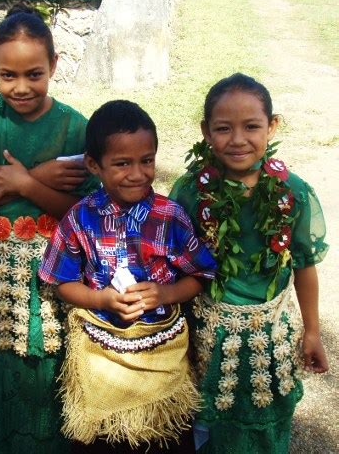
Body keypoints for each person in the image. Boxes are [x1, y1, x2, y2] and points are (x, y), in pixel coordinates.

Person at [0, 2, 98, 453]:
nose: (21, 87)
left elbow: (81, 213)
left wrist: (27, 181)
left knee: (53, 365)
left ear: (53, 65)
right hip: (2, 273)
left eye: (34, 73)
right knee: (4, 366)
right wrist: (30, 181)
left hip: (57, 271)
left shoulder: (75, 127)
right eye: (7, 75)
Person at [38, 100, 218, 453]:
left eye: (146, 160)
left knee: (166, 436)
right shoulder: (79, 220)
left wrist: (165, 295)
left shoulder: (170, 217)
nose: (137, 173)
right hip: (100, 353)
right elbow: (62, 283)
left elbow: (201, 274)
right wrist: (101, 299)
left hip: (162, 350)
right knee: (102, 439)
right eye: (122, 164)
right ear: (94, 164)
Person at [169, 73, 329, 454]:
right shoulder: (191, 191)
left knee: (265, 418)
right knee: (207, 420)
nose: (238, 140)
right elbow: (173, 263)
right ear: (206, 132)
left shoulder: (294, 193)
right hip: (208, 334)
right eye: (223, 128)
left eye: (252, 126)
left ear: (272, 126)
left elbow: (305, 265)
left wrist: (311, 331)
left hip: (270, 334)